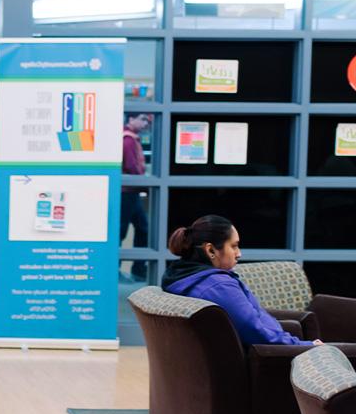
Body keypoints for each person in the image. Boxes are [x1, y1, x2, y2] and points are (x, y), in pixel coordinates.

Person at [162, 215, 322, 347]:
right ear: (210, 250)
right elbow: (254, 331)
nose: (239, 254)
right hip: (268, 360)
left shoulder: (179, 276)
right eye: (234, 246)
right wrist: (305, 346)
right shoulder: (218, 286)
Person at [121, 113, 151, 281]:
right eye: (142, 119)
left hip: (131, 192)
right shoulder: (129, 140)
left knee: (142, 229)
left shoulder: (132, 138)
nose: (145, 123)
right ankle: (133, 269)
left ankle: (139, 269)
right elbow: (132, 167)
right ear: (131, 119)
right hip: (128, 192)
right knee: (123, 230)